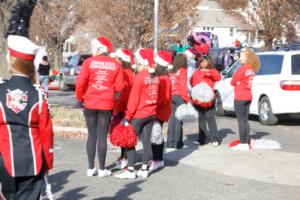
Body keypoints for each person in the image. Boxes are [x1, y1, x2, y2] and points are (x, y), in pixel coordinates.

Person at [0, 35, 54, 200]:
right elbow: (46, 133)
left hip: (3, 158)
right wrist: (48, 162)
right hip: (32, 159)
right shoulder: (38, 96)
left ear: (11, 62)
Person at [76, 36, 123, 177]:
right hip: (106, 103)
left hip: (90, 102)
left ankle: (91, 168)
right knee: (102, 136)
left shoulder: (88, 63)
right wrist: (112, 96)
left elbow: (80, 83)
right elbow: (120, 87)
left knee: (92, 135)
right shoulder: (116, 64)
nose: (91, 50)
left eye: (92, 47)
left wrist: (80, 98)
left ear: (99, 49)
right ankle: (102, 169)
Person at [115, 48, 158, 179]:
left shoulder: (139, 77)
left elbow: (134, 99)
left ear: (141, 61)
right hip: (151, 113)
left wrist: (127, 117)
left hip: (139, 114)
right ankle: (144, 169)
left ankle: (131, 170)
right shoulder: (155, 76)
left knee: (129, 141)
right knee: (146, 141)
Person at [230, 47, 260, 151]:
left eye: (242, 56)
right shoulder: (251, 69)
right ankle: (246, 141)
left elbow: (233, 82)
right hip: (248, 95)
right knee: (245, 120)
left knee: (241, 121)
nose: (240, 58)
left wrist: (238, 83)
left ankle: (243, 143)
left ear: (247, 57)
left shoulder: (242, 69)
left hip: (240, 96)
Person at [149, 51, 172, 171]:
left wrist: (153, 102)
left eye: (155, 63)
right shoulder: (158, 77)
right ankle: (157, 158)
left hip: (161, 110)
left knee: (156, 134)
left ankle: (158, 159)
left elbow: (165, 98)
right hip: (157, 108)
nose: (153, 65)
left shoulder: (165, 79)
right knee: (155, 134)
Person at [190, 56, 221, 146]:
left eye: (205, 62)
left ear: (209, 62)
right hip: (198, 99)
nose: (203, 63)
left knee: (210, 118)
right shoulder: (196, 72)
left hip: (208, 99)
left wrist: (209, 72)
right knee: (201, 119)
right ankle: (202, 139)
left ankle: (215, 138)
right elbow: (192, 82)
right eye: (201, 62)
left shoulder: (212, 71)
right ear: (199, 63)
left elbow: (218, 77)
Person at [112, 48, 135, 170]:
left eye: (117, 58)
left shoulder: (124, 73)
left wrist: (117, 103)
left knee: (123, 134)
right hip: (125, 106)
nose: (115, 60)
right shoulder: (130, 71)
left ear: (121, 60)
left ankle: (125, 158)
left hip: (123, 107)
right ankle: (123, 156)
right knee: (124, 133)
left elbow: (124, 92)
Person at [167, 54, 189, 149]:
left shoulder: (171, 71)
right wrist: (187, 100)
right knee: (179, 120)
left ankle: (170, 142)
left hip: (171, 96)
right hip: (180, 96)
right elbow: (183, 86)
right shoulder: (182, 71)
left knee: (171, 120)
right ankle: (178, 143)